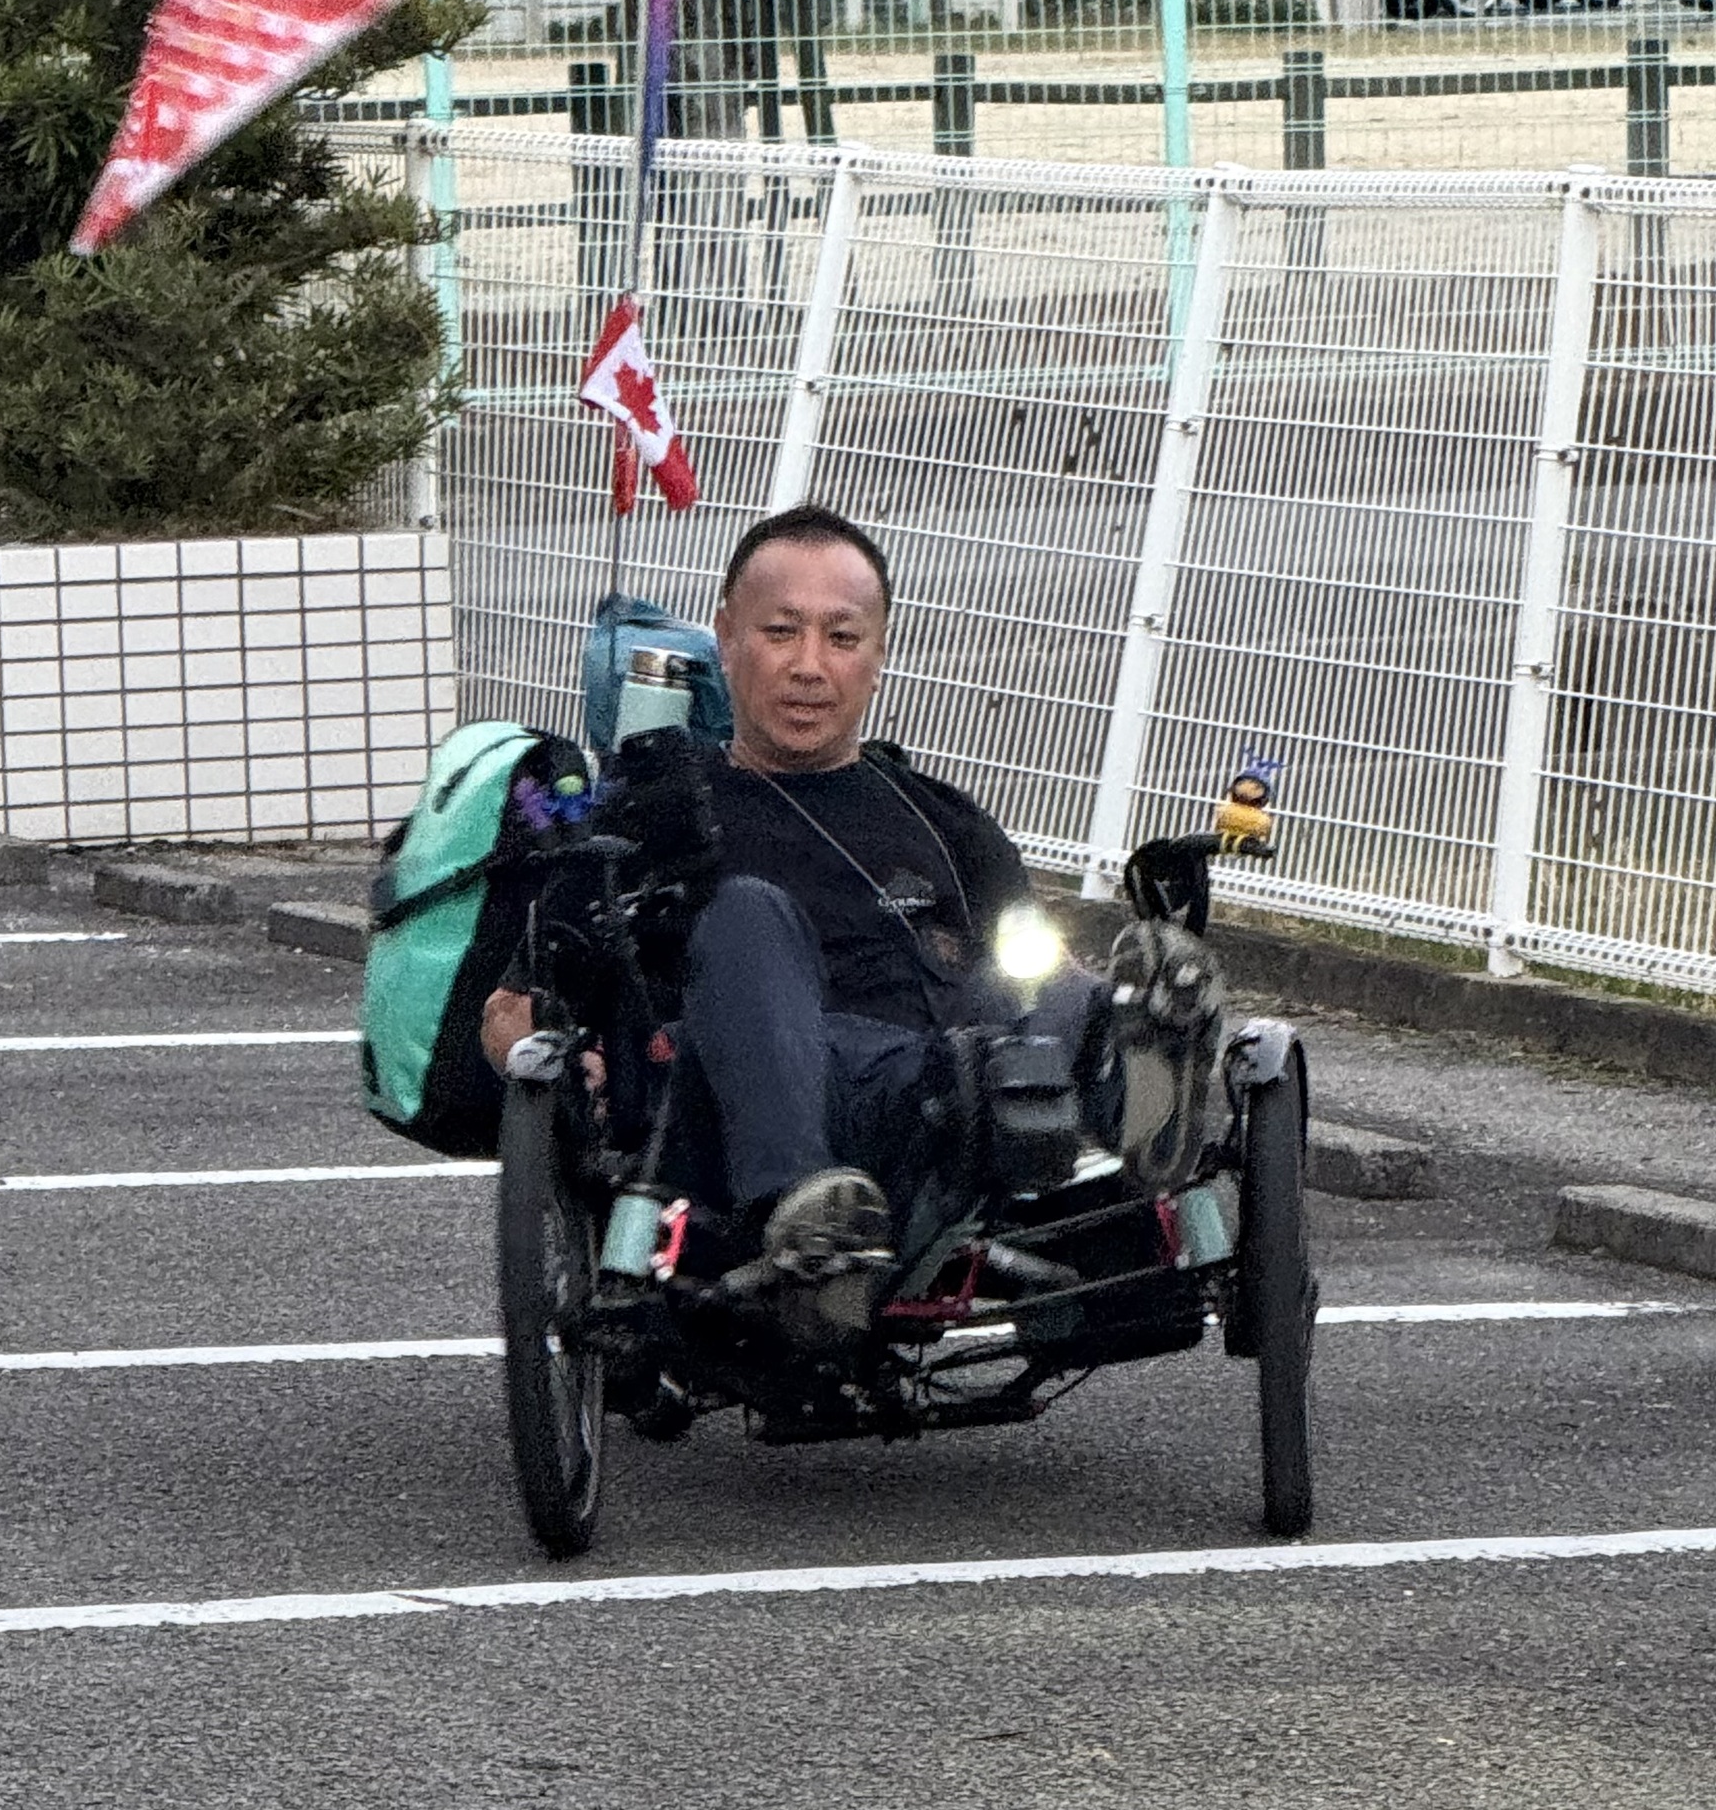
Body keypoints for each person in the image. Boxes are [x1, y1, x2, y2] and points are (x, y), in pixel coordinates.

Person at [481, 503, 1208, 1318]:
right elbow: (509, 1011)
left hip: (946, 1091)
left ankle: (1135, 1106)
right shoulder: (647, 814)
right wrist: (563, 1067)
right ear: (727, 638)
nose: (809, 667)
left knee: (1048, 994)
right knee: (750, 914)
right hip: (748, 1105)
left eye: (841, 637)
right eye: (781, 633)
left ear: (878, 654)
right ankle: (808, 1208)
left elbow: (1033, 962)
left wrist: (1084, 1002)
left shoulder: (942, 817)